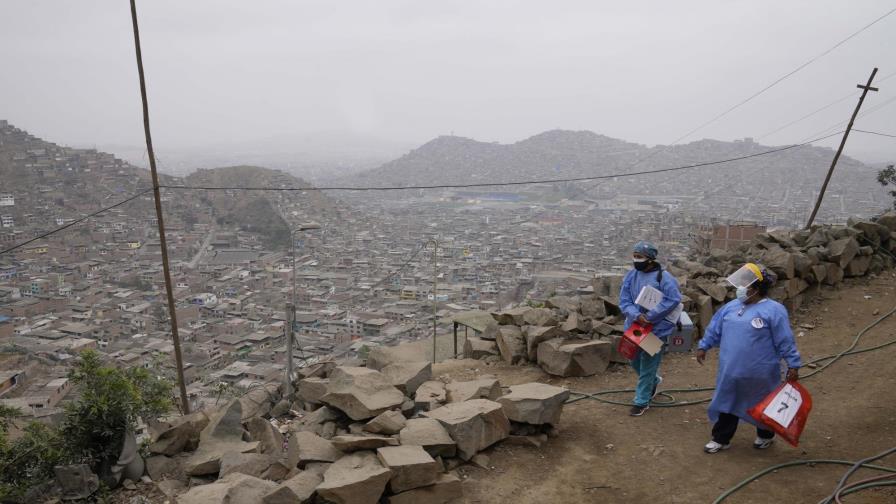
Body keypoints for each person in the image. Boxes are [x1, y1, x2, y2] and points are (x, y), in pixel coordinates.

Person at [696, 263, 802, 453]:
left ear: (757, 289)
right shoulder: (730, 307)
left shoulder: (774, 310)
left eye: (746, 287)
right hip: (731, 369)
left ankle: (765, 435)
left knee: (762, 404)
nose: (740, 291)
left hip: (761, 372)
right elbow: (714, 328)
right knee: (728, 402)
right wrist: (704, 345)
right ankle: (721, 438)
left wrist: (793, 364)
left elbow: (785, 340)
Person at [619, 240, 682, 416]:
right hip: (636, 325)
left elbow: (673, 299)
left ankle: (641, 401)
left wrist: (651, 316)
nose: (636, 260)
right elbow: (624, 300)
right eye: (635, 256)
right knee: (633, 359)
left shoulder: (664, 277)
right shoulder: (631, 276)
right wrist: (636, 314)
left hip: (656, 329)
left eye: (640, 257)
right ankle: (653, 381)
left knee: (648, 362)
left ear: (650, 259)